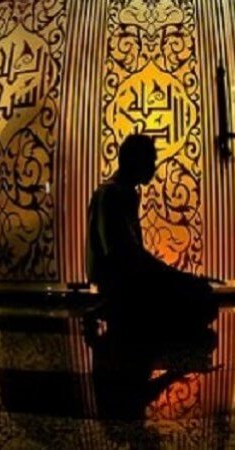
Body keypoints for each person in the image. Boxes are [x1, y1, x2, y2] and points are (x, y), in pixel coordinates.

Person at [86, 134, 216, 333]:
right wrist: (177, 277)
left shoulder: (125, 194)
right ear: (135, 160)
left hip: (130, 282)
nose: (154, 168)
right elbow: (124, 257)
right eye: (151, 161)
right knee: (199, 298)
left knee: (200, 295)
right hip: (120, 288)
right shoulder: (110, 195)